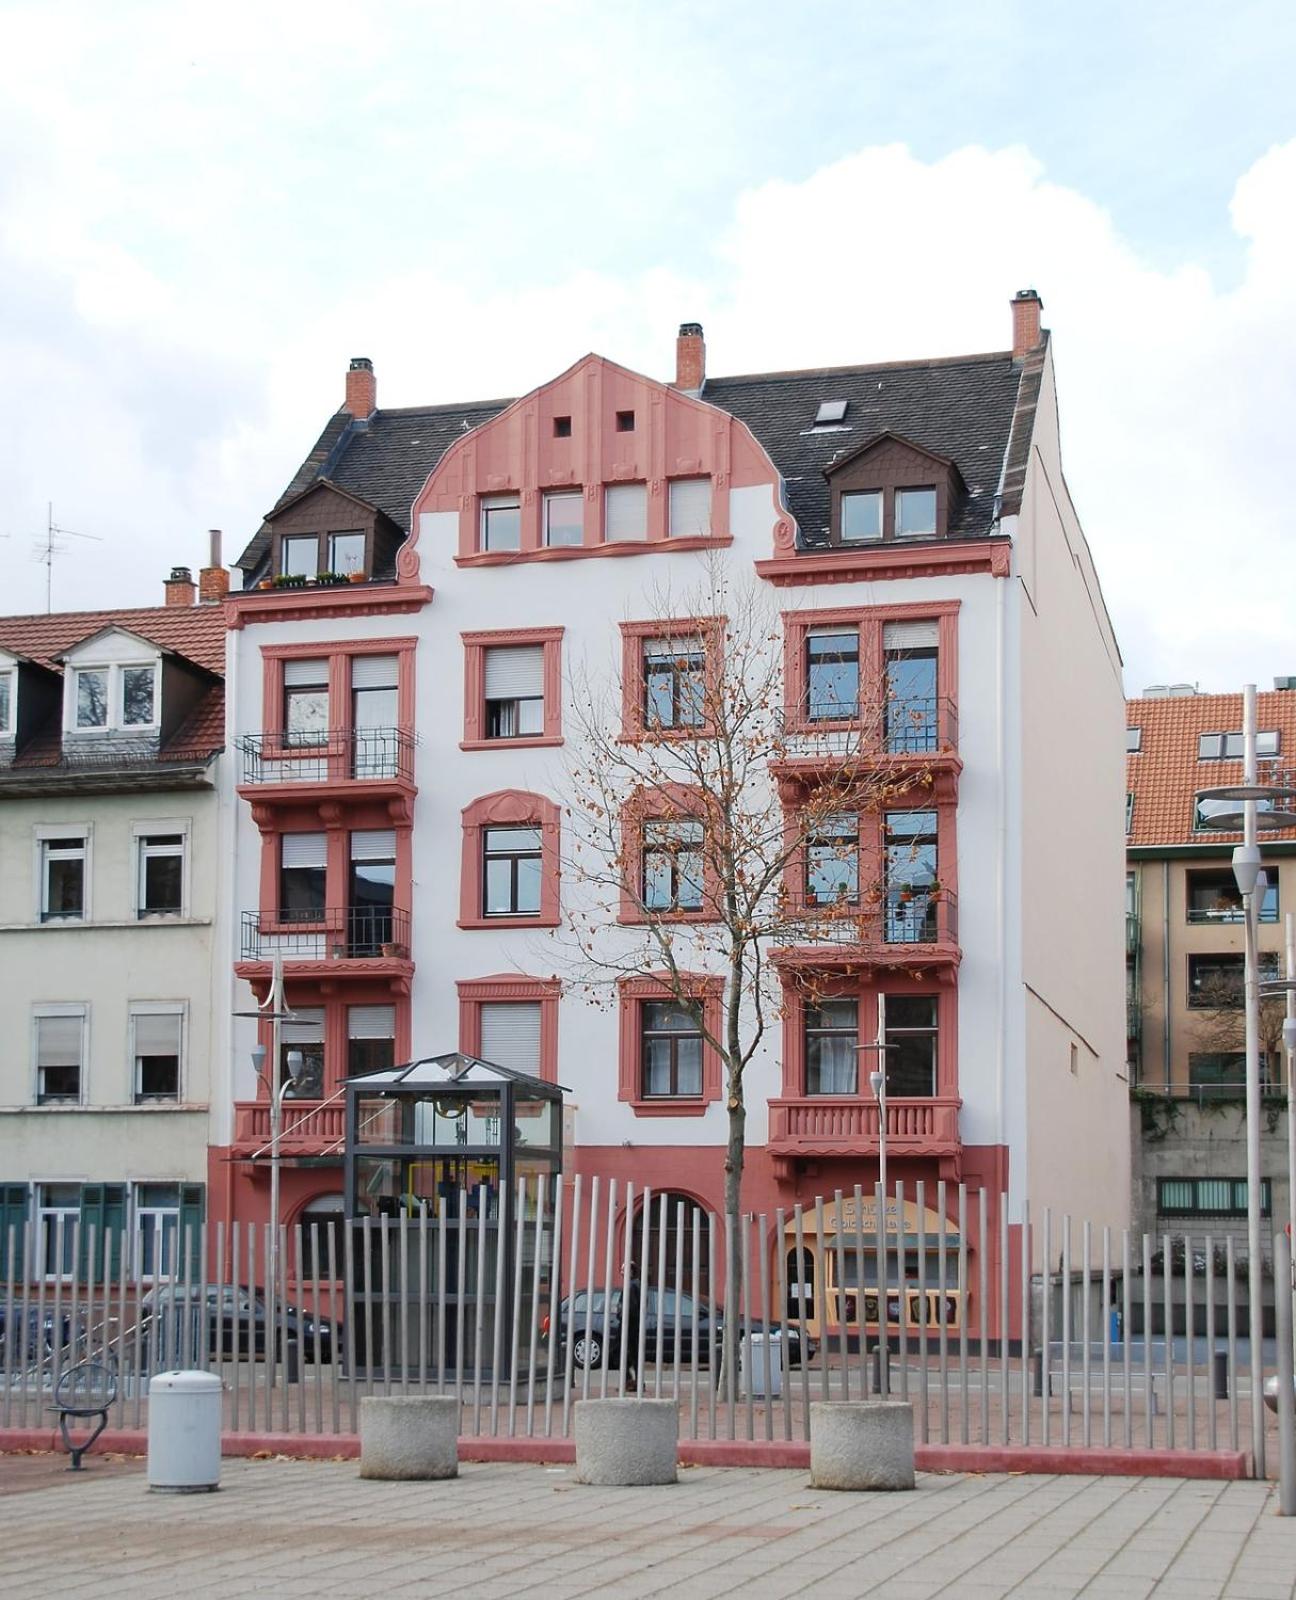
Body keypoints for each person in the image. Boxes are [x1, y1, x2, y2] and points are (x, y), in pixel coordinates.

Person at [622, 1262, 642, 1393]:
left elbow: (631, 1307)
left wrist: (620, 1314)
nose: (621, 1271)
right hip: (631, 1325)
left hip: (628, 1325)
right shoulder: (635, 1284)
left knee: (620, 1354)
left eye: (623, 1269)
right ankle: (635, 1382)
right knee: (633, 1355)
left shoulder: (631, 1285)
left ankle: (631, 1382)